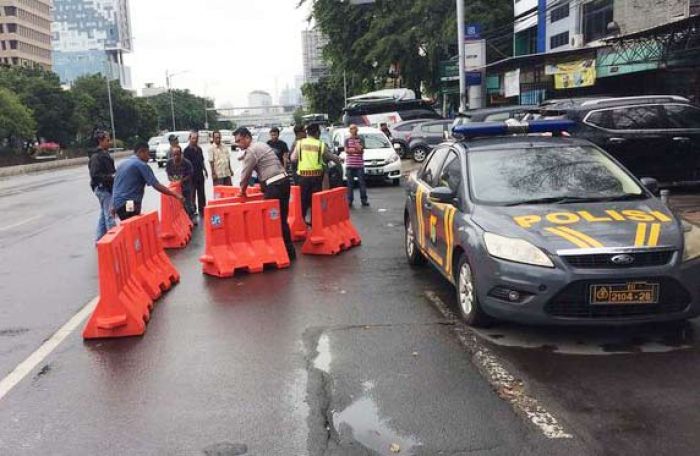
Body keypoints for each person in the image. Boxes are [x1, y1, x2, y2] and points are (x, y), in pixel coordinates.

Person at [234, 127, 296, 261]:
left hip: (274, 186)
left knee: (270, 221)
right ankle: (290, 252)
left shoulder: (251, 151)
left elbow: (245, 174)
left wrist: (242, 191)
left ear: (247, 138)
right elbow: (265, 167)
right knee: (282, 220)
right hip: (284, 182)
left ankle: (275, 253)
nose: (238, 144)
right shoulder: (262, 145)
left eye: (239, 141)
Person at [112, 143, 184, 221]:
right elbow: (156, 185)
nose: (149, 157)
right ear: (141, 152)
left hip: (118, 203)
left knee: (129, 223)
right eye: (147, 153)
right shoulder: (141, 165)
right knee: (132, 221)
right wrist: (175, 195)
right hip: (129, 203)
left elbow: (116, 185)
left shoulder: (123, 163)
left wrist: (113, 204)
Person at [290, 123, 342, 221]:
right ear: (317, 133)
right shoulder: (320, 144)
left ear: (307, 132)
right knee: (315, 202)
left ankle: (301, 222)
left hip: (303, 177)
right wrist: (339, 159)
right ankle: (315, 224)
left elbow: (293, 158)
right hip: (316, 178)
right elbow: (330, 157)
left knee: (303, 202)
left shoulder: (300, 143)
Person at [89, 130, 116, 241]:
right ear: (100, 141)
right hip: (102, 188)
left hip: (106, 188)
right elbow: (95, 175)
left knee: (103, 214)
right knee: (109, 215)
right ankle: (114, 241)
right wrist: (111, 177)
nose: (109, 142)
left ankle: (100, 240)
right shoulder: (96, 157)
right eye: (107, 140)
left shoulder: (104, 154)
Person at [166, 145, 197, 224]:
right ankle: (180, 220)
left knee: (188, 202)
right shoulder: (169, 163)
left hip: (185, 186)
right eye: (174, 155)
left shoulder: (186, 163)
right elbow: (168, 175)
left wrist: (182, 180)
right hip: (175, 187)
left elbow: (190, 174)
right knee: (176, 204)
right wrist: (173, 180)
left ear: (181, 154)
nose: (176, 156)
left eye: (178, 154)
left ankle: (192, 217)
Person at [183, 131, 207, 216]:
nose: (195, 140)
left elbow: (202, 161)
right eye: (193, 138)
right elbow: (185, 164)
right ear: (189, 139)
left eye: (196, 138)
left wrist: (205, 170)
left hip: (200, 175)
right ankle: (192, 211)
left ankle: (203, 210)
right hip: (191, 177)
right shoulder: (186, 151)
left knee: (202, 194)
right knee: (192, 195)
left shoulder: (199, 149)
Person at [345, 124, 369, 207]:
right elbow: (346, 151)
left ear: (357, 129)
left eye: (354, 128)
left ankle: (364, 200)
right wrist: (356, 149)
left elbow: (361, 151)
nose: (353, 130)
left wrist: (353, 150)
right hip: (350, 165)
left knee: (362, 183)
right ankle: (349, 200)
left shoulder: (361, 139)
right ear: (349, 130)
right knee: (350, 184)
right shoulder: (347, 139)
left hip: (359, 165)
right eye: (351, 128)